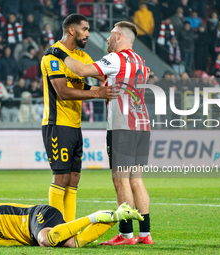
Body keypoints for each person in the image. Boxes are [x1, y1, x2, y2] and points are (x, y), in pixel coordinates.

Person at [45, 21, 153, 245]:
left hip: (122, 126)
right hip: (142, 126)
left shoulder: (116, 59)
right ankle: (145, 234)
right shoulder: (141, 62)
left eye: (111, 34)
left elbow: (82, 70)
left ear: (121, 37)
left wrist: (58, 53)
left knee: (120, 181)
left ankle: (126, 235)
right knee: (137, 180)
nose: (107, 38)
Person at [40, 14, 118, 223]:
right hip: (57, 125)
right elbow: (63, 92)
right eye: (85, 29)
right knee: (61, 177)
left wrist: (131, 70)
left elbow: (103, 77)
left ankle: (69, 227)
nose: (88, 34)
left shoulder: (81, 58)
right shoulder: (52, 57)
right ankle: (53, 227)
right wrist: (97, 93)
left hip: (74, 126)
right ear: (72, 30)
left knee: (74, 179)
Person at [0, 202, 143, 247]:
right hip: (36, 231)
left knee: (45, 239)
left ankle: (94, 216)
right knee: (73, 243)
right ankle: (117, 215)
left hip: (38, 215)